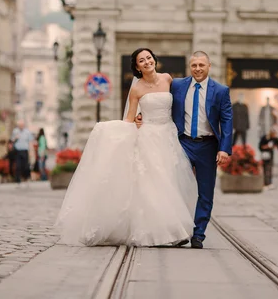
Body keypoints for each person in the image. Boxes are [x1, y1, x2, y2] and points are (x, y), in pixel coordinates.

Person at [56, 48, 198, 247]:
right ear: (137, 67)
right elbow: (130, 118)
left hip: (168, 135)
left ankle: (172, 228)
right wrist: (115, 128)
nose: (147, 61)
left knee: (169, 180)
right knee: (156, 183)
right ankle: (167, 232)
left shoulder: (168, 79)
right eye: (142, 60)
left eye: (149, 57)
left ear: (154, 59)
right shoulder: (137, 89)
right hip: (148, 137)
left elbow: (182, 101)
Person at [138, 50, 233, 249]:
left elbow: (227, 120)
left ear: (209, 66)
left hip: (208, 146)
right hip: (182, 143)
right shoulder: (178, 85)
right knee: (175, 187)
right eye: (194, 65)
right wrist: (141, 115)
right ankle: (178, 231)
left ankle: (198, 234)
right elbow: (158, 98)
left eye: (201, 65)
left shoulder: (221, 90)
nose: (197, 69)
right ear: (190, 67)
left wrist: (224, 149)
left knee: (205, 193)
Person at [10, 121, 34, 185]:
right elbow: (12, 140)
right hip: (17, 151)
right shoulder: (15, 131)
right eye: (19, 125)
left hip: (25, 151)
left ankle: (26, 178)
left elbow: (30, 142)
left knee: (25, 166)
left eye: (22, 125)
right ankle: (18, 181)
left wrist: (31, 151)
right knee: (18, 166)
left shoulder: (27, 132)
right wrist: (15, 138)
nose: (21, 126)